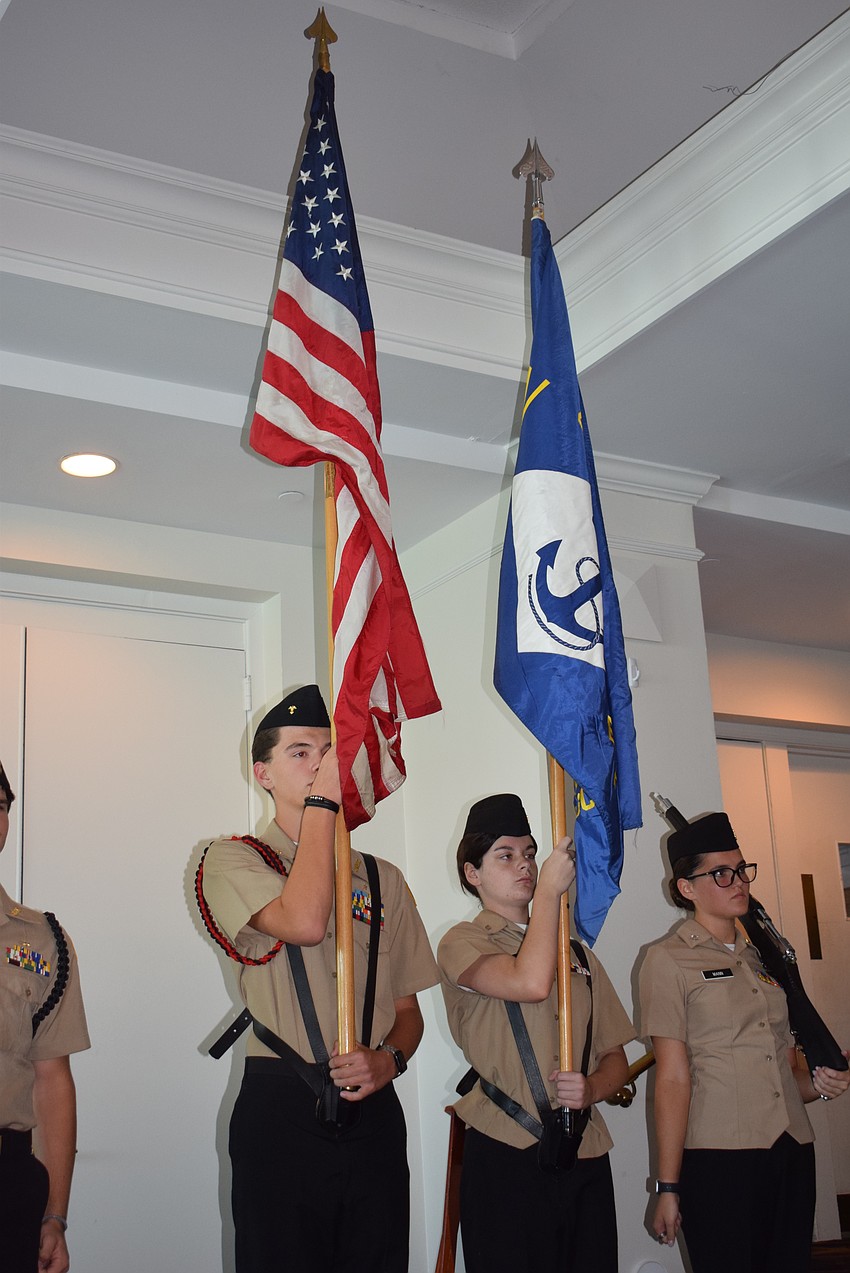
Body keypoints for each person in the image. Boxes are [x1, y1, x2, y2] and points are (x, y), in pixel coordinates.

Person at [198, 685, 439, 1273]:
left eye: (330, 751)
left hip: (372, 1110)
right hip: (281, 1106)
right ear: (263, 773)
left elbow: (408, 1012)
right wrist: (323, 807)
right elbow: (303, 922)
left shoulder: (382, 880)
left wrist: (390, 1062)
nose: (320, 763)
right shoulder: (233, 859)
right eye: (300, 752)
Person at [639, 810, 850, 1272]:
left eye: (741, 869)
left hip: (791, 1147)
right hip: (719, 1157)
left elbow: (785, 1072)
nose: (738, 882)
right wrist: (667, 1186)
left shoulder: (767, 958)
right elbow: (672, 1079)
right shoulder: (667, 960)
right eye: (720, 873)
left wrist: (821, 1084)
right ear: (686, 887)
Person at [437, 793, 634, 1273]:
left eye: (529, 853)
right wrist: (548, 894)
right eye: (505, 856)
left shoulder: (578, 956)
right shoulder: (462, 942)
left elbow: (615, 1058)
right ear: (472, 873)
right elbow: (529, 982)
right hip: (505, 1150)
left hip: (583, 1148)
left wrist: (592, 1089)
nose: (524, 865)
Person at [0, 762, 90, 1273]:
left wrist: (55, 1216)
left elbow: (52, 1079)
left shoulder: (41, 941)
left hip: (9, 1184)